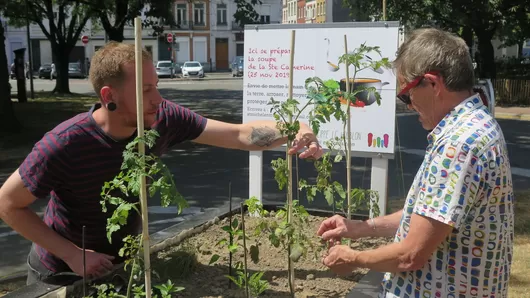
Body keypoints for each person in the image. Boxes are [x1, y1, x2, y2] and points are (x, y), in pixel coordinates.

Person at [0, 41, 323, 285]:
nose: (158, 97)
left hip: (121, 264)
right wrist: (73, 254)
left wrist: (298, 128)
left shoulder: (162, 118)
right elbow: (8, 204)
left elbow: (239, 135)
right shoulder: (65, 143)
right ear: (109, 95)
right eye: (146, 89)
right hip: (60, 273)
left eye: (157, 86)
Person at [317, 27, 514, 297]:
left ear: (433, 83)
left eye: (406, 94)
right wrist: (358, 228)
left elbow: (411, 256)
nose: (408, 105)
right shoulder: (475, 125)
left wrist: (352, 258)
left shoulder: (457, 146)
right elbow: (428, 215)